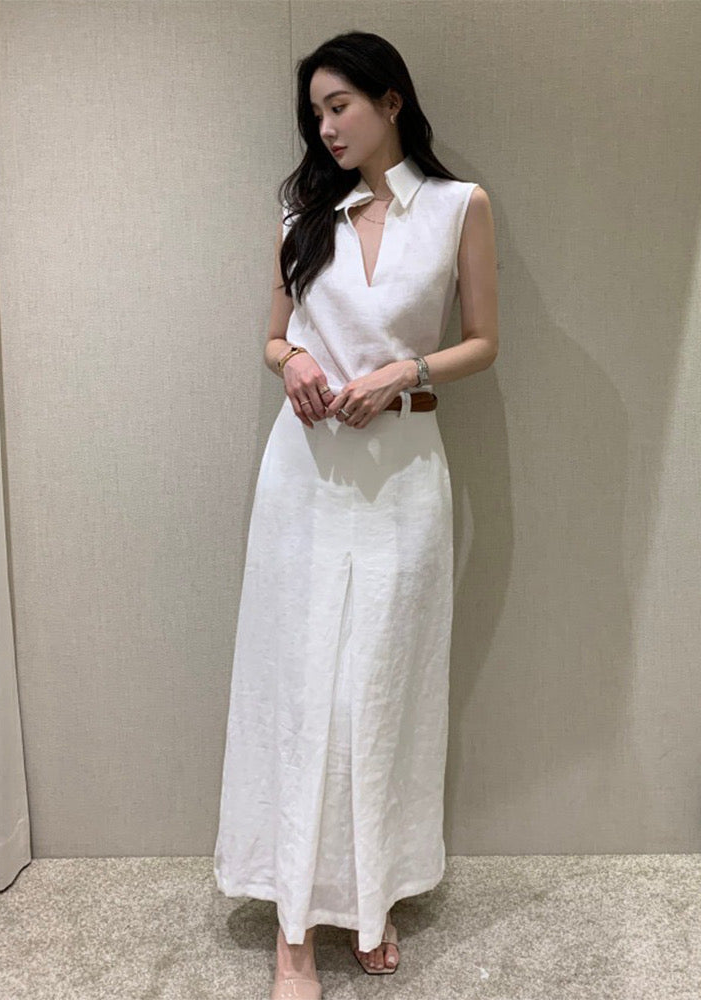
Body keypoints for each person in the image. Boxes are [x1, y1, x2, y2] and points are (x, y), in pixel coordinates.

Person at [213, 30, 499, 1000]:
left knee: (380, 687)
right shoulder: (302, 210)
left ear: (390, 100)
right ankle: (294, 927)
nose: (326, 127)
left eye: (339, 106)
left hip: (406, 470)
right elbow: (272, 336)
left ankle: (370, 896)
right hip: (304, 473)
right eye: (316, 113)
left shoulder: (460, 207)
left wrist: (404, 371)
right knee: (298, 683)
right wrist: (292, 359)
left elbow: (483, 341)